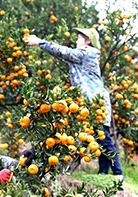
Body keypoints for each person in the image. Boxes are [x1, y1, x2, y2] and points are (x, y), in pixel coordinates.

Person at [25, 28, 124, 180]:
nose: (76, 41)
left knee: (103, 139)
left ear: (88, 41)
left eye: (79, 38)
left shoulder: (87, 53)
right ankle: (104, 173)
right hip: (89, 103)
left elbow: (64, 51)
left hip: (96, 102)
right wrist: (42, 45)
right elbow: (60, 53)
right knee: (98, 138)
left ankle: (118, 173)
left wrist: (39, 42)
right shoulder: (81, 57)